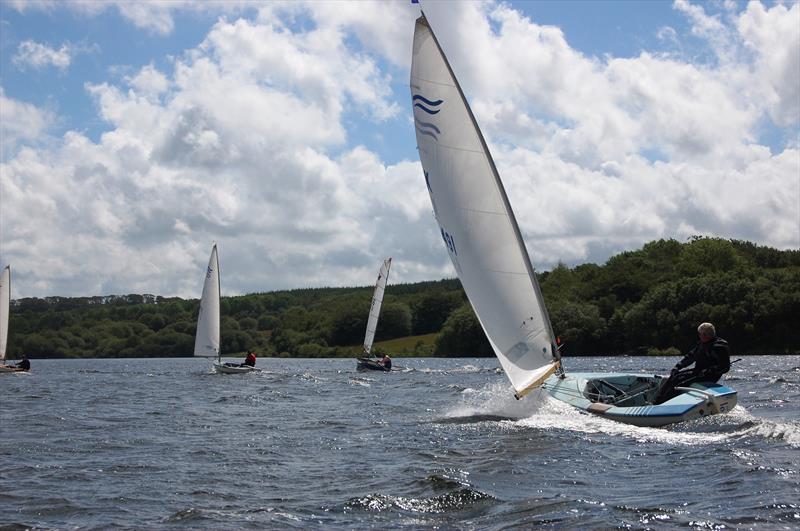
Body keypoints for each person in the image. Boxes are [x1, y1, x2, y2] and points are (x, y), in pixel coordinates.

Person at [656, 322, 730, 404]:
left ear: (705, 335)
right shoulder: (702, 344)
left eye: (700, 334)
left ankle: (664, 403)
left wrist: (708, 371)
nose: (699, 336)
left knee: (679, 383)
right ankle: (658, 401)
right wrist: (678, 367)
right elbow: (690, 356)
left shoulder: (719, 347)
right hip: (698, 372)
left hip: (708, 376)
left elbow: (725, 367)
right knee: (675, 376)